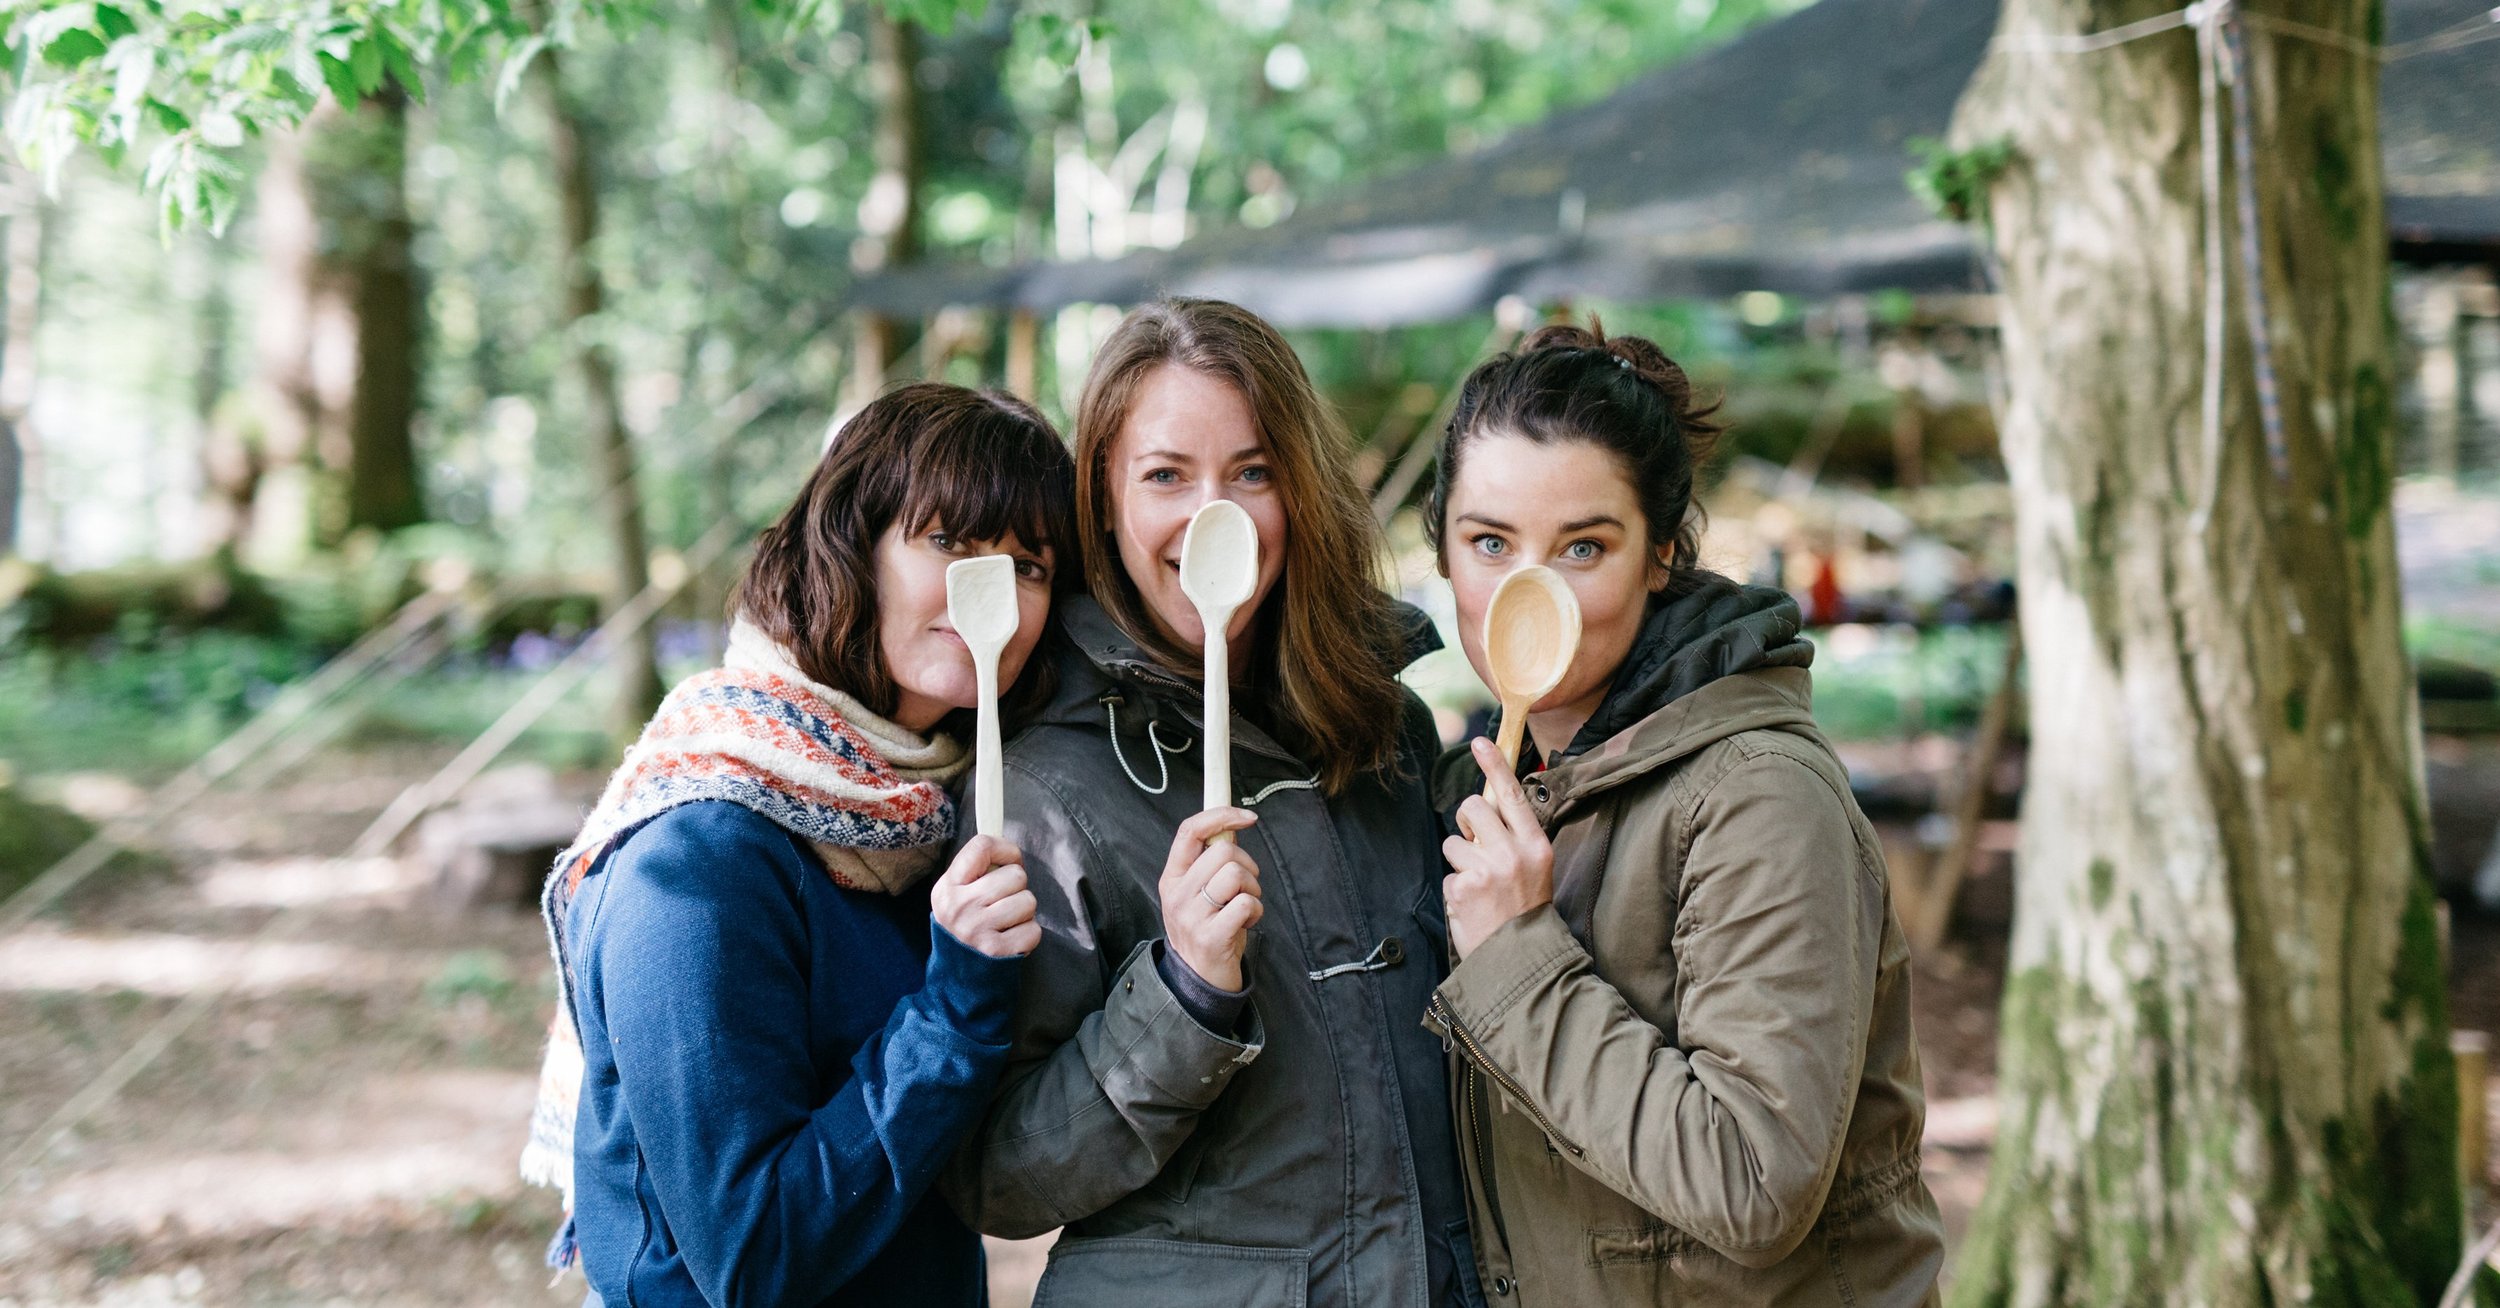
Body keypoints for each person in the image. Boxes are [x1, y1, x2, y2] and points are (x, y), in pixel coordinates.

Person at [942, 298, 1481, 1308]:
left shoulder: (1388, 732)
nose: (1211, 515)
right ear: (1102, 499)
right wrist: (1183, 994)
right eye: (1164, 476)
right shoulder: (1040, 791)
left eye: (1251, 472)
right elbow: (996, 1177)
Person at [522, 383, 1077, 1308]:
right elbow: (751, 1256)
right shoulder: (700, 855)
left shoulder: (932, 823)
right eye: (947, 542)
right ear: (851, 545)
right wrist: (955, 1007)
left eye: (1029, 565)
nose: (992, 592)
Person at [1422, 322, 1944, 1306]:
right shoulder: (1491, 788)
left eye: (1584, 546)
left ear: (1659, 556)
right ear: (1442, 555)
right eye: (1490, 542)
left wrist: (1512, 957)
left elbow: (1754, 1182)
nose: (1529, 589)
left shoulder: (1758, 793)